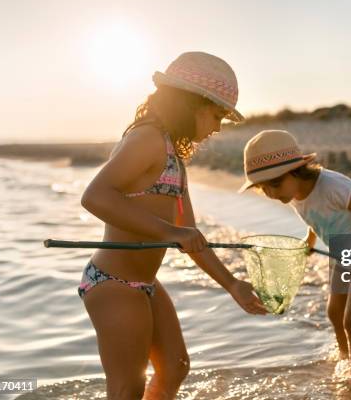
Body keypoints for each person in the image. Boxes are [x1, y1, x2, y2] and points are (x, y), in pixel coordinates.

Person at [79, 51, 267, 400]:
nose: (217, 128)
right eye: (216, 116)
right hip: (113, 284)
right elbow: (95, 196)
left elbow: (190, 233)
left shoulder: (174, 159)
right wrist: (170, 232)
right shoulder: (146, 139)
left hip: (145, 284)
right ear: (190, 105)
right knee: (127, 386)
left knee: (176, 367)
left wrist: (232, 285)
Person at [238, 129, 351, 382]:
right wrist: (309, 241)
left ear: (297, 171)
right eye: (264, 188)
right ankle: (346, 359)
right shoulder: (293, 193)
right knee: (335, 313)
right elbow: (315, 217)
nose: (272, 193)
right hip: (343, 254)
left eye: (275, 184)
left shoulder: (333, 186)